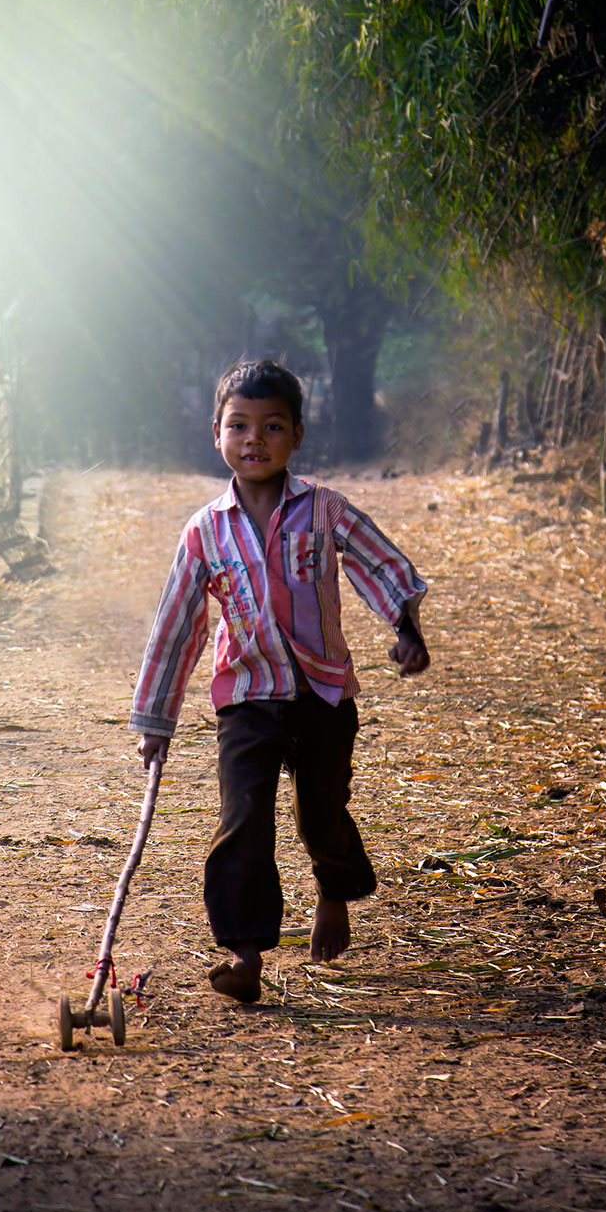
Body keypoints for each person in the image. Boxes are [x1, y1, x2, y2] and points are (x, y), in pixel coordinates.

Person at [129, 360, 429, 1004]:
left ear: (296, 435)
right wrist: (155, 720)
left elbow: (380, 560)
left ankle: (333, 889)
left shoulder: (324, 510)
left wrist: (405, 626)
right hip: (246, 699)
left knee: (322, 816)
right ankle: (244, 952)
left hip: (323, 695)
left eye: (271, 426)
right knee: (243, 822)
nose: (254, 439)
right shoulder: (205, 530)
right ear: (217, 434)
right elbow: (177, 625)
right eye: (239, 425)